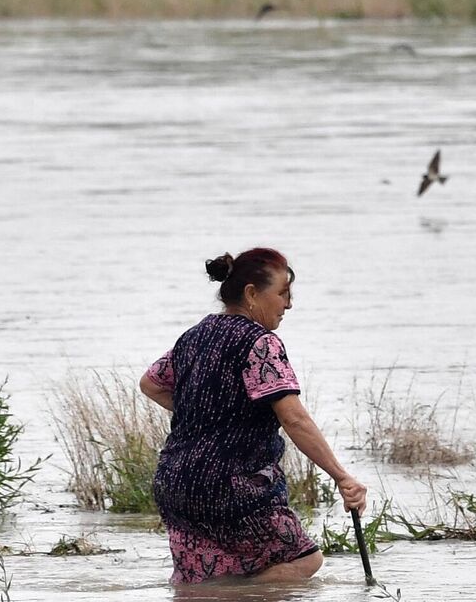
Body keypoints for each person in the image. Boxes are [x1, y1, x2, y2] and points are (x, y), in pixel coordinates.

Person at [139, 248, 366, 583]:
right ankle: (232, 600)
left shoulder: (193, 336)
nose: (288, 305)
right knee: (305, 561)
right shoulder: (261, 343)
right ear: (251, 294)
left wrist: (211, 415)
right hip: (231, 485)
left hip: (176, 483)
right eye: (282, 294)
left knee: (200, 578)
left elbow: (151, 383)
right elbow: (295, 420)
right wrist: (342, 477)